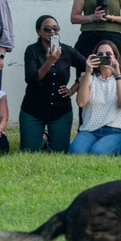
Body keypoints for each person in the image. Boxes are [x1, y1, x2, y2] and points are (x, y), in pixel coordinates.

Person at [19, 15, 85, 152]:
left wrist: (73, 88)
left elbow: (87, 67)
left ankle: (48, 137)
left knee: (60, 152)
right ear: (39, 31)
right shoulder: (32, 50)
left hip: (60, 109)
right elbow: (31, 80)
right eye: (47, 29)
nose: (52, 32)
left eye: (55, 28)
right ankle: (43, 138)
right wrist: (49, 62)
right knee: (29, 151)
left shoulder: (66, 50)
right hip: (34, 108)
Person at [69, 39, 121, 155]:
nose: (104, 57)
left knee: (98, 152)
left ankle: (118, 147)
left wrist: (117, 75)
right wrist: (88, 72)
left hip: (115, 131)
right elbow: (81, 102)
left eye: (108, 54)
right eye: (100, 54)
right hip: (89, 130)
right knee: (76, 152)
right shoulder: (87, 78)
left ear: (115, 57)